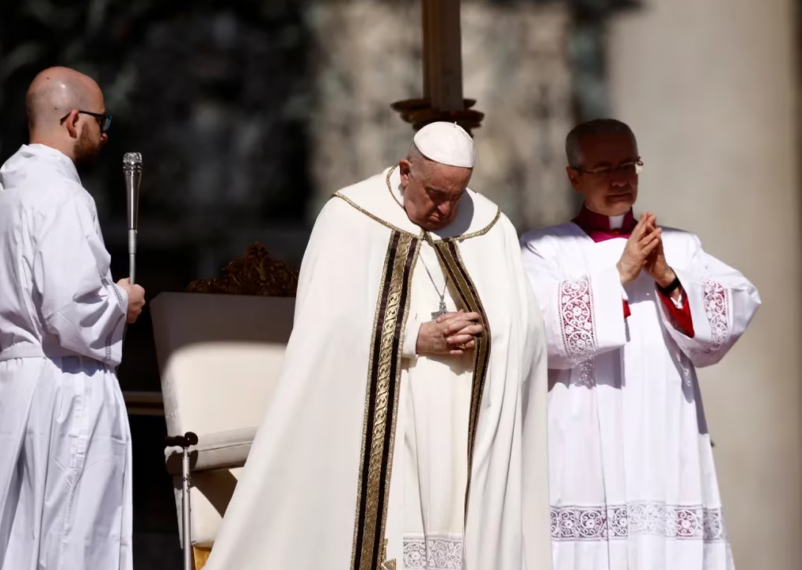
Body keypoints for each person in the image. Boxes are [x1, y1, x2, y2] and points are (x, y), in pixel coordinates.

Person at [205, 122, 552, 570]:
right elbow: (321, 328)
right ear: (407, 171)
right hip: (384, 423)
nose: (446, 209)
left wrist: (490, 331)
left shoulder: (490, 226)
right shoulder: (349, 216)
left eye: (457, 195)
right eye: (435, 194)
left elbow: (525, 328)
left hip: (461, 424)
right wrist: (412, 338)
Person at [520, 119, 760, 570]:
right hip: (583, 435)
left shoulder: (680, 247)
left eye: (629, 165)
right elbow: (539, 332)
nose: (619, 179)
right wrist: (620, 276)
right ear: (574, 176)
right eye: (603, 168)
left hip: (665, 432)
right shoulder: (543, 250)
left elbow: (732, 311)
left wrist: (667, 278)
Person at [0, 67, 145, 570]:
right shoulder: (63, 195)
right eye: (100, 119)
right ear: (72, 120)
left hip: (19, 383)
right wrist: (121, 301)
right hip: (65, 385)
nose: (105, 132)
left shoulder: (4, 198)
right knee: (70, 539)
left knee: (17, 537)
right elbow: (71, 310)